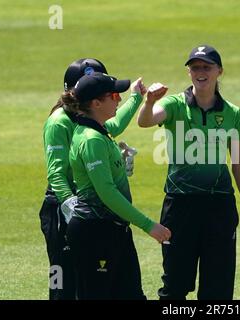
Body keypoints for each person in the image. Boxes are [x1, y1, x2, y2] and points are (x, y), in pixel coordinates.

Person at [137, 45, 240, 300]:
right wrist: (149, 101)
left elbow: (239, 164)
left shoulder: (232, 113)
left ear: (219, 71)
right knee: (175, 285)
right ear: (189, 72)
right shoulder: (174, 104)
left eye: (206, 67)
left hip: (219, 206)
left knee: (218, 288)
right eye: (195, 67)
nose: (200, 72)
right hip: (180, 205)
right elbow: (145, 121)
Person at [40, 58, 145, 299]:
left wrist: (136, 97)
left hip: (91, 209)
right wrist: (69, 205)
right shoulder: (59, 122)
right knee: (64, 286)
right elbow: (56, 172)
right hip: (63, 208)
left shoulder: (92, 121)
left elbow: (114, 126)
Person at [64, 72, 171, 300]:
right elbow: (107, 193)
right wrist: (148, 225)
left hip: (114, 230)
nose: (118, 99)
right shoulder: (91, 139)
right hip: (94, 231)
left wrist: (136, 98)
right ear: (96, 103)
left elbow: (118, 122)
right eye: (114, 95)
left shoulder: (98, 129)